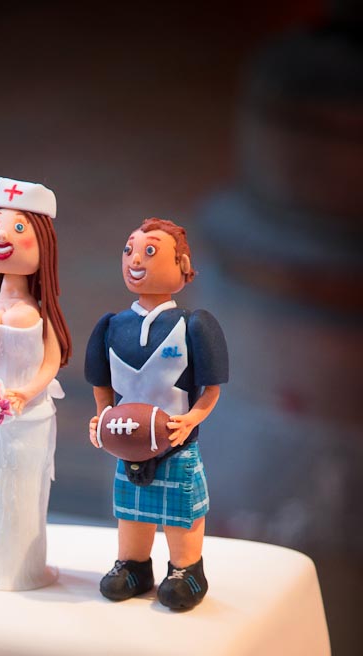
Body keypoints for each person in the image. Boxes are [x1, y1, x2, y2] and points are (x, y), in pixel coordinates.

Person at [85, 218, 228, 610]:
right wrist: (102, 416)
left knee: (181, 513)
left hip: (175, 443)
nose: (135, 260)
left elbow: (211, 389)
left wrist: (192, 419)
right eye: (129, 249)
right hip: (127, 442)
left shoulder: (193, 325)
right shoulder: (111, 326)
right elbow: (101, 383)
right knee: (131, 512)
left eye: (149, 251)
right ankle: (133, 564)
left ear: (183, 265)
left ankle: (186, 569)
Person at [0, 176, 72, 591]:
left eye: (17, 228)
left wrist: (25, 393)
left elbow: (50, 362)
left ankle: (26, 570)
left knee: (24, 492)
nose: (1, 236)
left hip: (29, 418)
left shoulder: (41, 314)